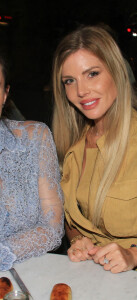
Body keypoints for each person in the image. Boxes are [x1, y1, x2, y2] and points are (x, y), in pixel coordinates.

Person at [52, 25, 137, 281]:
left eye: (92, 74)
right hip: (94, 279)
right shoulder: (73, 150)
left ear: (116, 73)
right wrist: (79, 242)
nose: (81, 91)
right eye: (69, 81)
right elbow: (73, 222)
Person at [0, 53, 64, 271]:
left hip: (31, 277)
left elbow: (52, 229)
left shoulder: (35, 138)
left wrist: (4, 252)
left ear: (5, 94)